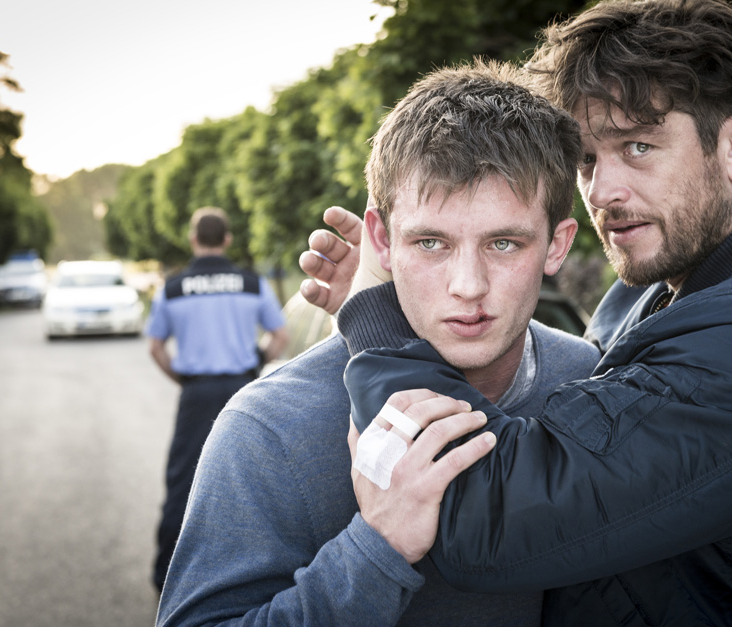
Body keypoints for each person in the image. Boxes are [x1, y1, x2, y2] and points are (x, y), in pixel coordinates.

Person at [303, 1, 732, 624]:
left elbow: (475, 513)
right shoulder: (677, 286)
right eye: (586, 160)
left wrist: (375, 311)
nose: (603, 191)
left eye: (638, 146)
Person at [155, 60, 602, 626]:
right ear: (381, 242)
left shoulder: (589, 377)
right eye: (432, 242)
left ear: (558, 246)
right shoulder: (268, 427)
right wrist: (376, 545)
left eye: (505, 244)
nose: (468, 286)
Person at [146, 206, 288, 593]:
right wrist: (254, 364)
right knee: (255, 478)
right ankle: (258, 576)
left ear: (193, 239)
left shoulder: (172, 288)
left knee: (183, 480)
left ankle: (166, 578)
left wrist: (185, 379)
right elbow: (280, 337)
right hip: (243, 389)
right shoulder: (251, 283)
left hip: (196, 391)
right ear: (227, 240)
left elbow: (156, 347)